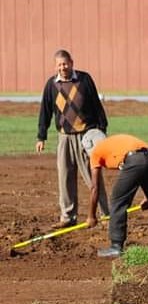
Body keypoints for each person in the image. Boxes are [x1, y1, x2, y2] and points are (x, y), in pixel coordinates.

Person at [37, 49, 110, 229]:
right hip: (64, 137)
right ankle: (68, 216)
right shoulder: (51, 85)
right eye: (59, 65)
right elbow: (45, 111)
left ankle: (106, 215)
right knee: (65, 177)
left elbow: (96, 105)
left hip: (86, 136)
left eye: (65, 64)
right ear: (56, 66)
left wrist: (102, 128)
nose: (63, 67)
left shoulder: (84, 80)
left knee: (92, 178)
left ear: (72, 62)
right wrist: (41, 136)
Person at [81, 130, 148, 257]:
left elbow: (95, 188)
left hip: (134, 160)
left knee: (117, 200)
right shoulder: (114, 142)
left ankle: (116, 246)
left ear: (89, 145)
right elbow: (142, 167)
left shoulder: (96, 152)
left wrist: (91, 216)